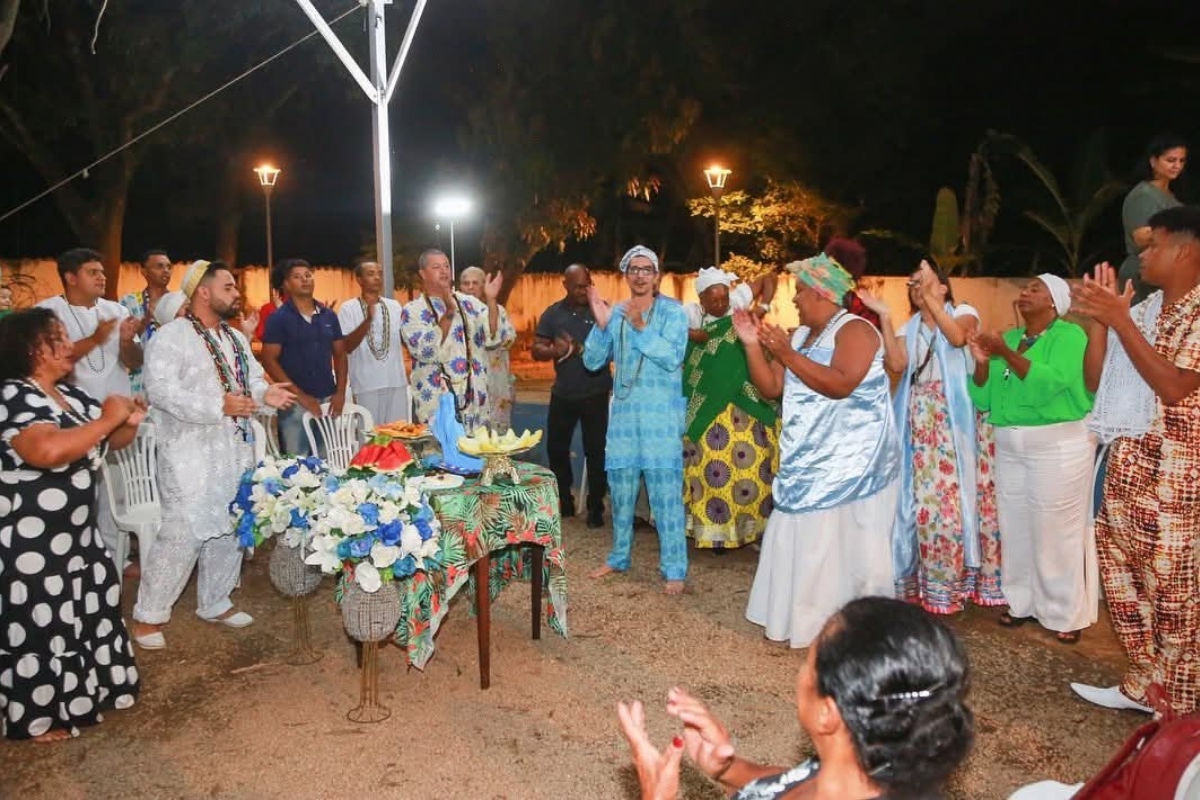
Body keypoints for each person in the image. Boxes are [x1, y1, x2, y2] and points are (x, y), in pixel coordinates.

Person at [618, 597, 974, 800]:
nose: (799, 674)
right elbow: (796, 783)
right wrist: (727, 768)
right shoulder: (872, 769)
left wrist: (654, 794)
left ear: (827, 714)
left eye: (809, 664)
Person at [1070, 207, 1200, 715]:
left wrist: (1120, 319)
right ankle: (1141, 684)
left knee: (1175, 596)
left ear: (1186, 250)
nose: (1141, 255)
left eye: (1153, 246)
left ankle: (1180, 706)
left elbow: (1172, 387)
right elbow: (1097, 381)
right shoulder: (1146, 312)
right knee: (1125, 584)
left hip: (1178, 479)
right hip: (1128, 467)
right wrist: (1105, 324)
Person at [131, 261, 295, 650]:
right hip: (188, 452)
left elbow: (251, 379)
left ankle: (215, 602)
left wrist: (264, 394)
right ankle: (148, 616)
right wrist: (217, 405)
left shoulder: (236, 339)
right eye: (227, 287)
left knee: (230, 524)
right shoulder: (171, 337)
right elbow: (161, 392)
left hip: (233, 448)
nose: (235, 293)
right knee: (182, 531)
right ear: (202, 292)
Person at [737, 254, 899, 647]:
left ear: (824, 293)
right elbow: (773, 389)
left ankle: (854, 629)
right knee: (802, 539)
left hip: (852, 465)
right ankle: (800, 621)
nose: (795, 301)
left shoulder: (857, 331)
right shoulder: (799, 336)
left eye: (802, 292)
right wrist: (752, 346)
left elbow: (841, 384)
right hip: (806, 458)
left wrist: (789, 356)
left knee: (844, 547)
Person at [0, 308, 143, 741]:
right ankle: (36, 715)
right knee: (41, 624)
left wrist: (127, 423)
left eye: (65, 336)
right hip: (32, 541)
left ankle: (91, 691)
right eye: (55, 339)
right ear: (28, 349)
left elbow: (107, 441)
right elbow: (43, 450)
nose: (68, 346)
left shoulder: (70, 397)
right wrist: (106, 420)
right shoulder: (13, 395)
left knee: (89, 610)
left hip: (77, 538)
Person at [861, 259, 1004, 615]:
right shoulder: (909, 328)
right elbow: (896, 365)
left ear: (943, 288)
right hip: (920, 425)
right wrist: (884, 316)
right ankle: (924, 584)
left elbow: (956, 337)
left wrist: (932, 300)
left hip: (956, 427)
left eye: (923, 281)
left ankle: (952, 587)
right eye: (912, 283)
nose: (916, 287)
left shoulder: (964, 312)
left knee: (952, 507)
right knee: (921, 506)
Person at [967, 274, 1096, 644]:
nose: (1024, 293)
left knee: (1055, 531)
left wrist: (1005, 355)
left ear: (1055, 302)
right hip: (1010, 443)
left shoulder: (1069, 337)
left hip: (1056, 445)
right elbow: (985, 398)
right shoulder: (1008, 339)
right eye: (1024, 288)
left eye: (1035, 289)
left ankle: (1064, 612)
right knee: (1016, 525)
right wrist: (980, 362)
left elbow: (1049, 384)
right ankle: (1021, 602)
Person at [583, 245, 689, 593]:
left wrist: (641, 327)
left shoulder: (674, 313)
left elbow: (672, 358)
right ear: (626, 275)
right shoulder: (616, 313)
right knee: (622, 490)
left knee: (666, 496)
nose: (640, 275)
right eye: (634, 269)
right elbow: (592, 361)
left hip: (660, 419)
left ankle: (674, 568)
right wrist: (601, 327)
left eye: (647, 269)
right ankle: (618, 557)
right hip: (625, 417)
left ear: (657, 276)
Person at [36, 248, 142, 572]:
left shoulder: (115, 309)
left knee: (115, 498)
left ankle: (113, 561)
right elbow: (53, 359)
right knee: (80, 495)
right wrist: (97, 338)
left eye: (102, 271)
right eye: (92, 272)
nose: (102, 276)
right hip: (71, 422)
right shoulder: (48, 312)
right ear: (70, 277)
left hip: (117, 420)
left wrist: (126, 341)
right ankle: (75, 562)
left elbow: (134, 363)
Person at [682, 267, 777, 551]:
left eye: (724, 298)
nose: (721, 305)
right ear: (701, 299)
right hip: (708, 406)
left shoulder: (736, 305)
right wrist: (689, 333)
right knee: (710, 469)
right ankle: (715, 533)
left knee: (753, 466)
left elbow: (769, 277)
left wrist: (762, 306)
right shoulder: (691, 314)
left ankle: (751, 531)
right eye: (714, 300)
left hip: (744, 402)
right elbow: (663, 327)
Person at [532, 263, 612, 526]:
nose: (582, 290)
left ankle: (596, 505)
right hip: (563, 393)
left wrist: (582, 349)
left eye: (586, 284)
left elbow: (615, 347)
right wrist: (555, 350)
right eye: (577, 285)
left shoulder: (603, 310)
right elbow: (537, 348)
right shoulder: (553, 314)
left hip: (596, 392)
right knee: (556, 449)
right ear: (564, 284)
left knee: (597, 451)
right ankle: (564, 500)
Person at [399, 248, 502, 431]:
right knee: (440, 455)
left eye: (446, 266)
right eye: (437, 267)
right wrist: (448, 313)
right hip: (437, 400)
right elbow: (425, 351)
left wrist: (492, 300)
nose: (444, 270)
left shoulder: (468, 302)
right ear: (422, 274)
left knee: (478, 454)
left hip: (474, 400)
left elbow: (492, 333)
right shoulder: (412, 310)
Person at [259, 258, 348, 455]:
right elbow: (268, 359)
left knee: (328, 460)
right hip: (293, 404)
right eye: (297, 277)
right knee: (296, 464)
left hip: (327, 400)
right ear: (286, 284)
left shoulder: (328, 316)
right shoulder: (279, 319)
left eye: (308, 275)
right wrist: (301, 397)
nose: (305, 280)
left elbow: (340, 355)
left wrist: (340, 393)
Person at [337, 258, 409, 425]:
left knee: (397, 434)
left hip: (395, 381)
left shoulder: (395, 306)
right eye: (371, 274)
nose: (377, 277)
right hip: (366, 384)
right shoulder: (349, 308)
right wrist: (368, 321)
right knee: (370, 438)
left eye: (379, 274)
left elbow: (405, 339)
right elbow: (347, 346)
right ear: (360, 280)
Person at [1119, 134, 1188, 303]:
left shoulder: (1172, 195)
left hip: (1168, 275)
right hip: (1145, 273)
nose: (1177, 166)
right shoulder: (1144, 194)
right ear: (1153, 161)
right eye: (1171, 160)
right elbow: (1141, 238)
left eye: (1181, 161)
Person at [459, 265, 517, 429]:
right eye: (465, 283)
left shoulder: (497, 311)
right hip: (466, 391)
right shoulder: (453, 316)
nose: (470, 287)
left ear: (484, 286)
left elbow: (495, 338)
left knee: (498, 440)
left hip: (496, 388)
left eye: (475, 283)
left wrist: (491, 300)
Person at [118, 248, 172, 399]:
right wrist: (143, 325)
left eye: (168, 267)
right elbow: (125, 348)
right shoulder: (128, 302)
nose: (166, 271)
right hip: (140, 383)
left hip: (174, 381)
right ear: (144, 271)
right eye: (159, 266)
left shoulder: (180, 303)